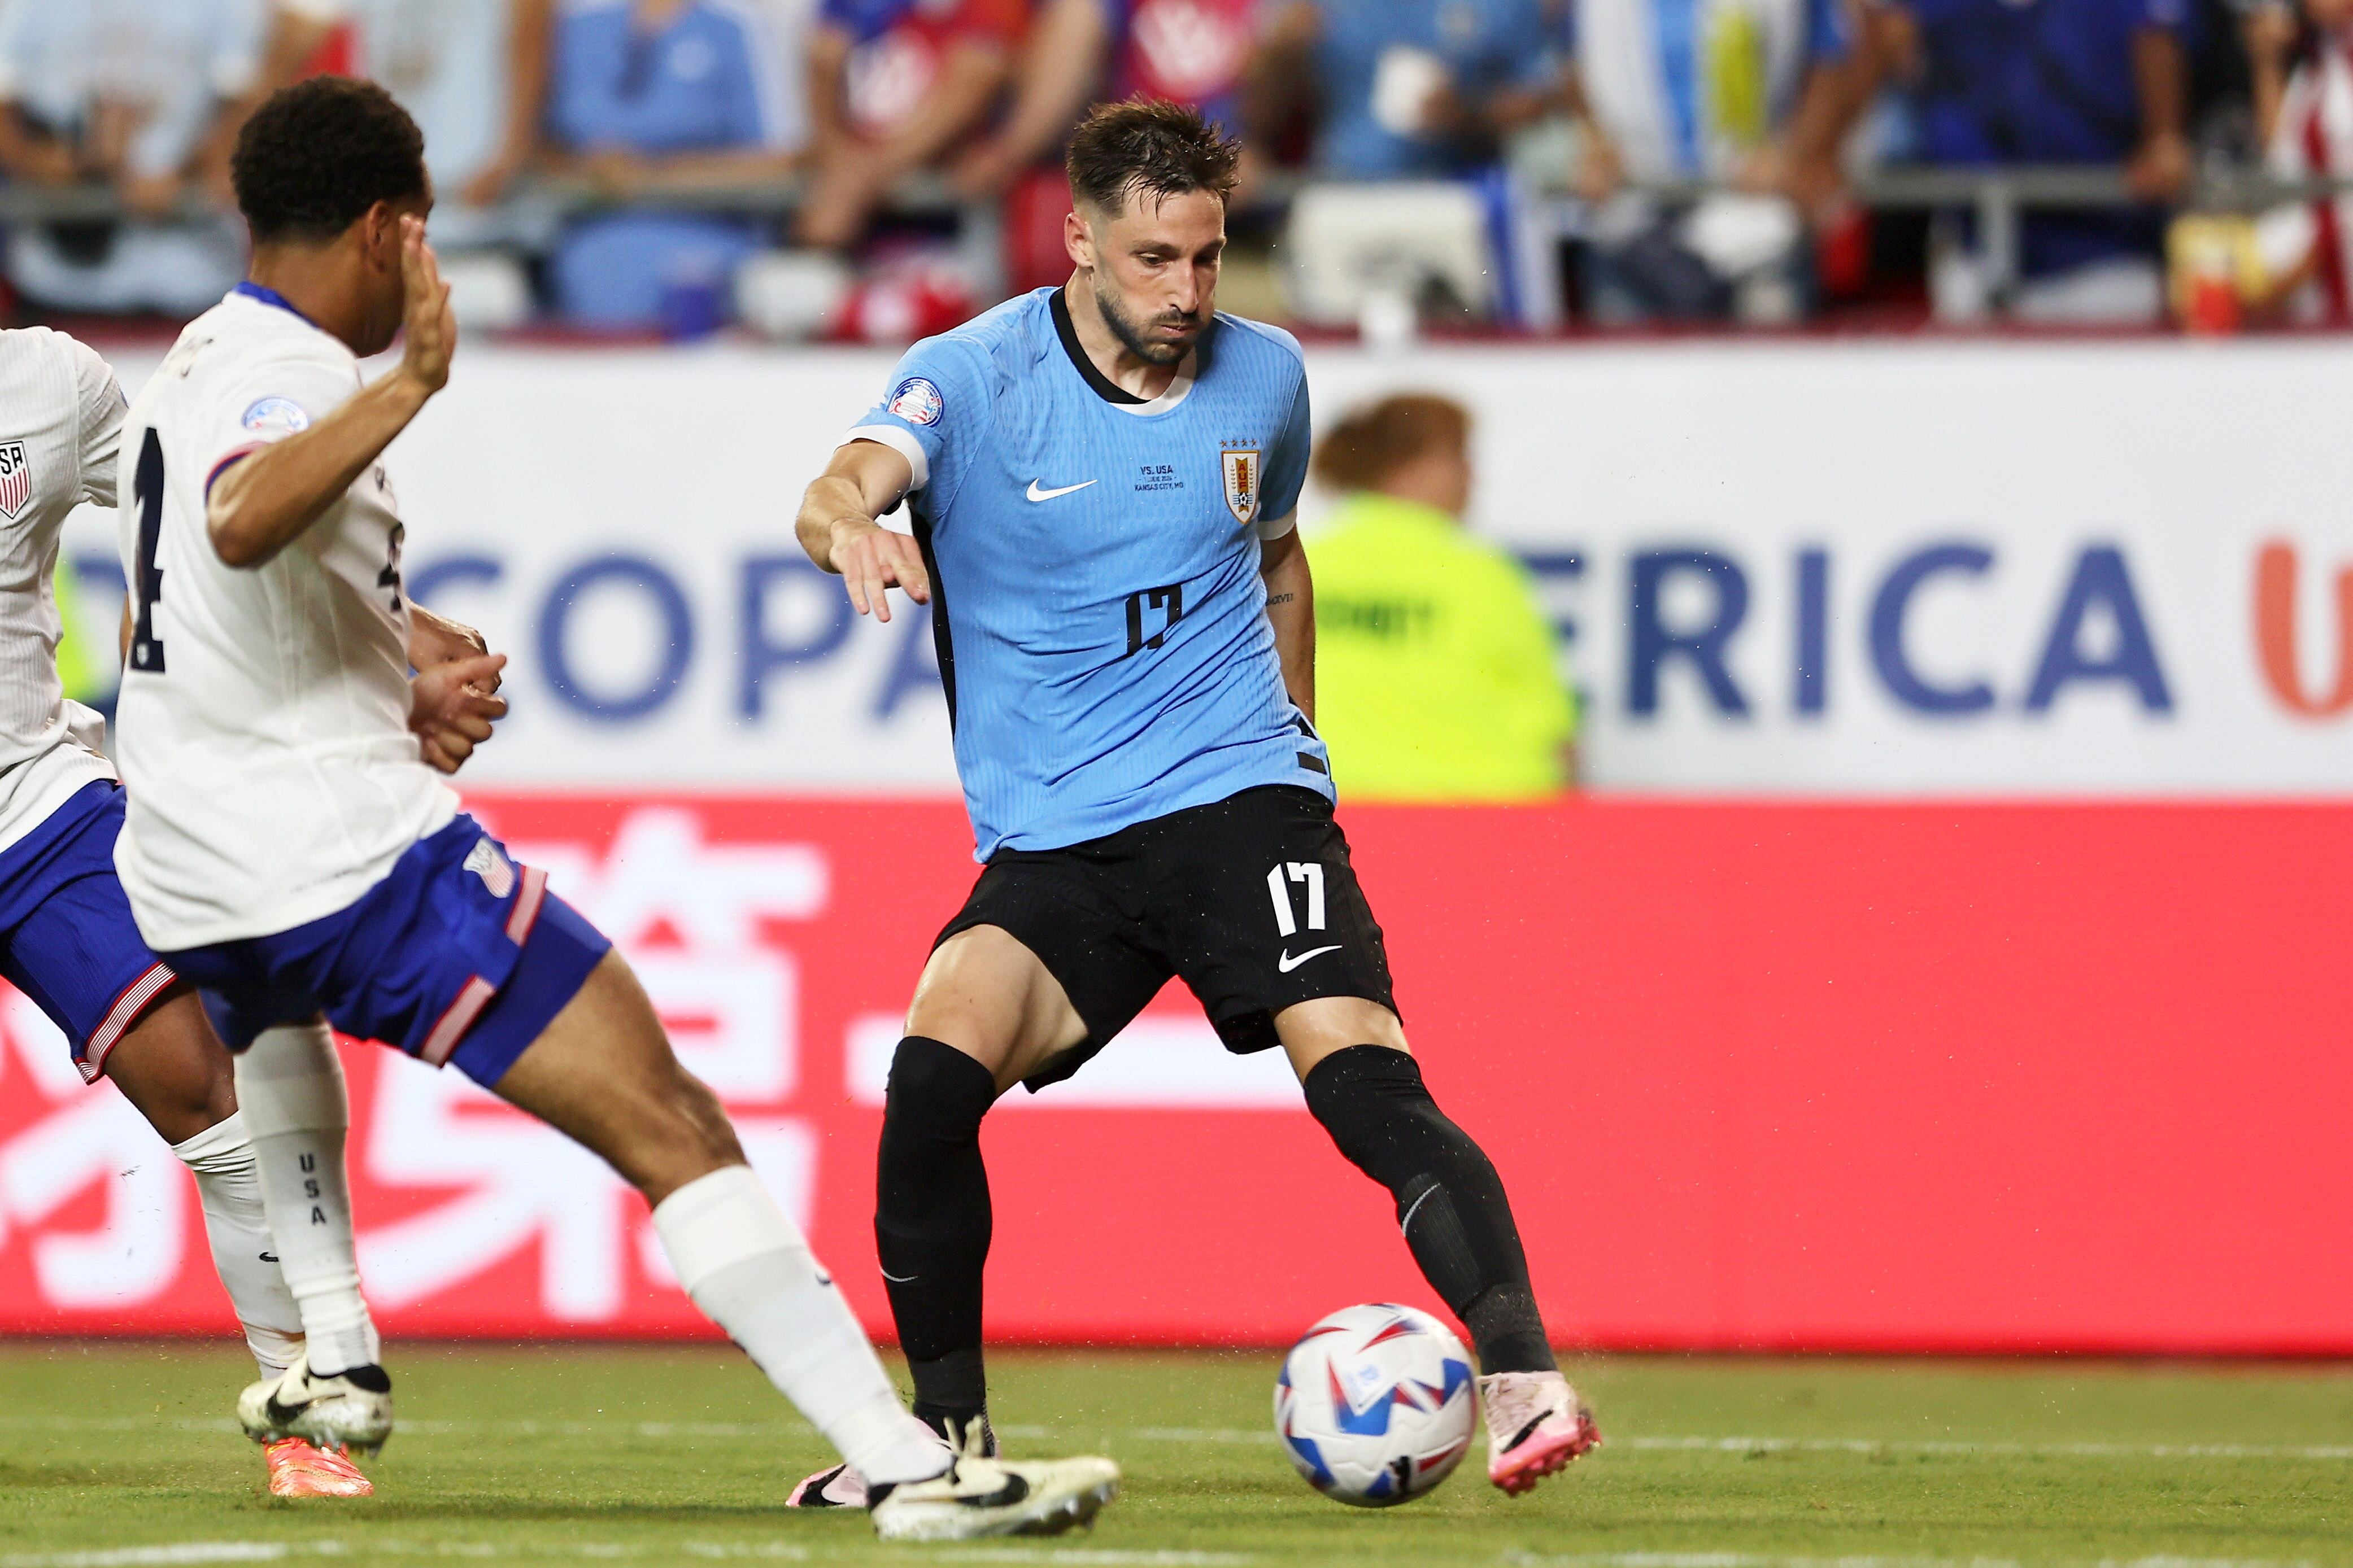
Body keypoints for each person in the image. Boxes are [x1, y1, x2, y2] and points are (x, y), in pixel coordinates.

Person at [109, 74, 1117, 1541]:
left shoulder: (198, 353)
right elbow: (242, 518)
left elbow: (211, 597)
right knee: (669, 1120)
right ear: (390, 230)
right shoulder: (308, 378)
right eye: (429, 237)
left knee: (278, 1023)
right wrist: (410, 386)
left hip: (193, 866)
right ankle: (905, 1468)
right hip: (340, 857)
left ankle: (334, 1348)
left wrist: (399, 656)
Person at [787, 97, 1597, 1512]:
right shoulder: (972, 376)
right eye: (1157, 259)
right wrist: (851, 525)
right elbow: (845, 480)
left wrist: (1300, 746)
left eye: (1210, 259)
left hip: (1239, 796)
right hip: (1056, 835)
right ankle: (942, 1448)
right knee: (929, 1081)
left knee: (1361, 1076)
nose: (1187, 293)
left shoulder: (1266, 378)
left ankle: (1525, 1372)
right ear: (1081, 238)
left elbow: (1279, 556)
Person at [0, 319, 391, 1499]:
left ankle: (303, 1417)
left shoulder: (47, 382)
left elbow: (204, 527)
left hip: (30, 806)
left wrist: (387, 626)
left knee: (212, 1091)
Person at [1306, 394, 1576, 800]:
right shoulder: (1481, 573)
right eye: (1459, 458)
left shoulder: (1303, 566)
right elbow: (1553, 729)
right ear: (1408, 466)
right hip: (1487, 812)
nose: (1472, 478)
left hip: (1340, 811)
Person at [1873, 0, 2197, 323]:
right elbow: (1883, 35)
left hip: (2102, 255)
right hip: (1975, 252)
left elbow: (2155, 35)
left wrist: (2163, 136)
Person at [1557, 0, 1862, 322]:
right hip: (1633, 212)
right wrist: (1594, 136)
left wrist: (1798, 151)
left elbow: (1833, 56)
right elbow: (1573, 57)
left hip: (1754, 216)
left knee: (1768, 359)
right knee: (1625, 364)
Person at [544, 0, 804, 329]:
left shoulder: (736, 29)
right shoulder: (577, 28)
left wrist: (652, 172)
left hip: (703, 233)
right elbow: (541, 146)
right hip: (593, 242)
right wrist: (589, 169)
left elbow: (783, 160)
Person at [0, 0, 263, 315]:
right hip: (62, 276)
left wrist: (183, 176)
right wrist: (52, 167)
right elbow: (6, 103)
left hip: (192, 273)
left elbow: (246, 99)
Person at [260, 0, 555, 249]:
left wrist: (509, 157)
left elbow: (531, 28)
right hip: (387, 227)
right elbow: (296, 30)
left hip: (486, 227)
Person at [797, 0, 1026, 250]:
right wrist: (841, 162)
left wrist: (864, 174)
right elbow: (824, 56)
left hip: (943, 227)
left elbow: (981, 75)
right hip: (850, 173)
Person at [1246, 0, 1558, 180]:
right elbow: (1260, 113)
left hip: (1460, 191)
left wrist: (1465, 114)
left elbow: (1537, 98)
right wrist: (1282, 54)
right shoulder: (1323, 6)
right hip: (1345, 184)